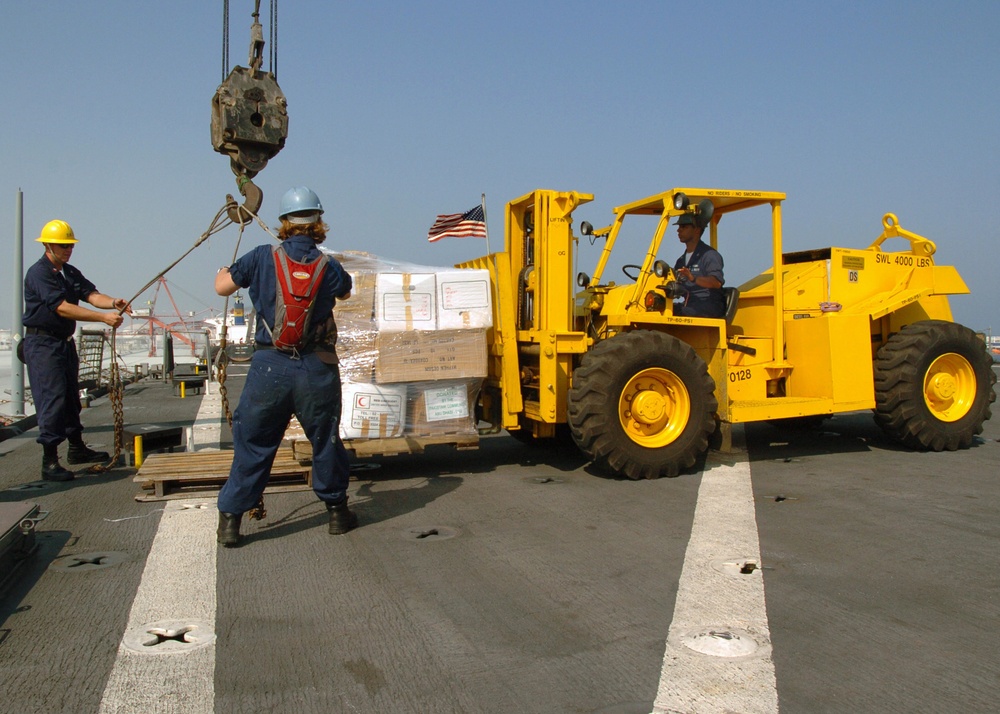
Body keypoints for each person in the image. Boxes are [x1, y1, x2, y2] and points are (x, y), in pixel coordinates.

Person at [214, 186, 355, 547]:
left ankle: (230, 521)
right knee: (324, 441)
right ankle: (337, 512)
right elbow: (346, 292)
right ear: (318, 221)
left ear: (284, 222)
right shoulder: (329, 266)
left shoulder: (261, 256)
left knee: (254, 443)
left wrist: (223, 271)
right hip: (316, 368)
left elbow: (221, 288)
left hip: (269, 368)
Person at [22, 219, 132, 481]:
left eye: (70, 245)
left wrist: (111, 302)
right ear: (48, 245)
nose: (68, 249)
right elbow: (61, 307)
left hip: (62, 343)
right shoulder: (38, 273)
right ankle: (49, 462)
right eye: (63, 245)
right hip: (42, 345)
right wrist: (102, 318)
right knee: (53, 399)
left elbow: (91, 294)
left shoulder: (68, 272)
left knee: (71, 396)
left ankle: (76, 448)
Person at [672, 213, 726, 318]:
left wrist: (693, 278)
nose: (679, 230)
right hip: (690, 304)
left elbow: (716, 282)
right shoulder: (681, 261)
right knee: (660, 310)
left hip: (708, 306)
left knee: (674, 313)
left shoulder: (709, 255)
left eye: (684, 227)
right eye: (679, 227)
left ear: (697, 230)